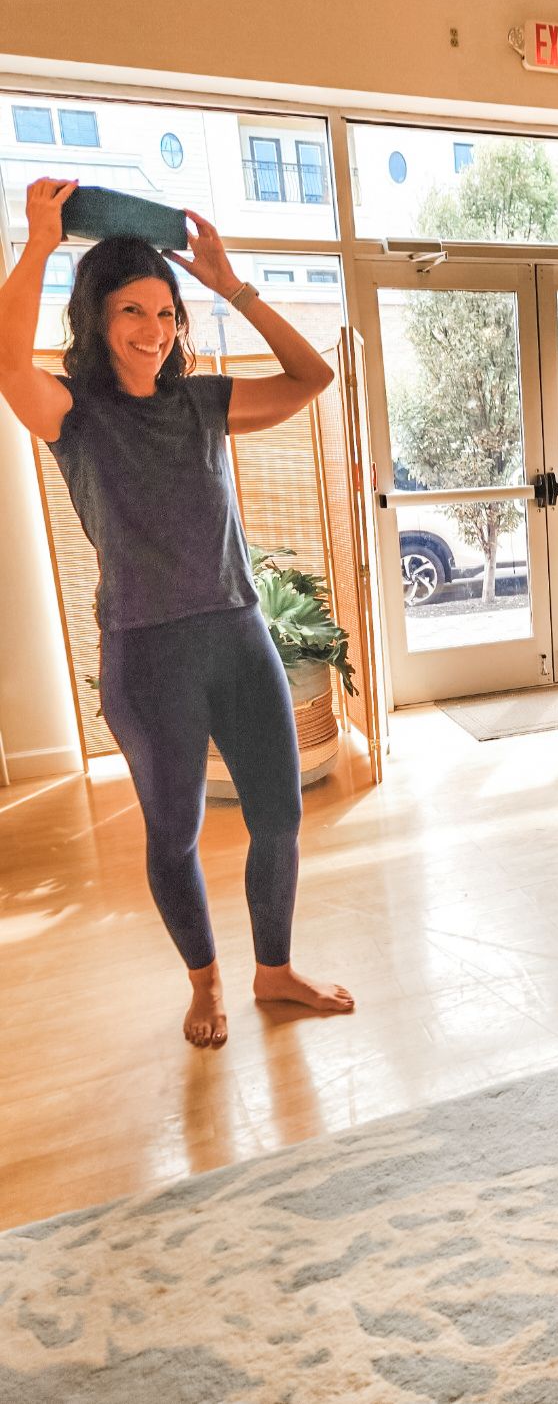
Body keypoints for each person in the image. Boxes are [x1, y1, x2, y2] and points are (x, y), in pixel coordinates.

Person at [0, 176, 354, 1047]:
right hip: (147, 654)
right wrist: (39, 243)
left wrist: (233, 287)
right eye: (132, 312)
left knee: (279, 815)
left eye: (165, 313)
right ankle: (206, 982)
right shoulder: (74, 415)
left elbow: (315, 376)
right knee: (175, 836)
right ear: (97, 318)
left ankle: (274, 971)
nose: (153, 331)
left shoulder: (204, 404)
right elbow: (8, 365)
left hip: (237, 636)